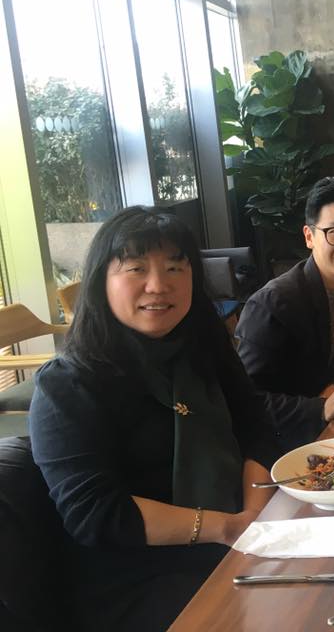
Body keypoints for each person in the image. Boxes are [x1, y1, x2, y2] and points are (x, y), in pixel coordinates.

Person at [29, 207, 280, 631]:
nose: (158, 285)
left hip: (241, 539)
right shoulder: (68, 384)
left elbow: (257, 431)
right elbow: (96, 513)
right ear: (101, 281)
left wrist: (253, 518)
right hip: (139, 579)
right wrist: (225, 527)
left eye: (175, 267)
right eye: (136, 268)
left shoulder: (205, 351)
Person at [235, 177, 334, 447]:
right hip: (286, 442)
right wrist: (320, 406)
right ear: (309, 236)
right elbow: (244, 401)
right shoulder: (271, 305)